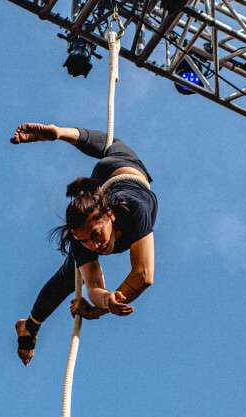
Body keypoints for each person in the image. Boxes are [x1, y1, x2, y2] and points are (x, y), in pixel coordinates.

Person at [10, 122, 158, 365]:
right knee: (73, 273)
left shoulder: (134, 210)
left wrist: (102, 307)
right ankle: (29, 326)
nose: (94, 245)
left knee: (110, 146)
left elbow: (144, 275)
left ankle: (57, 130)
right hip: (101, 191)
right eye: (85, 240)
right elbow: (94, 288)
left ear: (110, 216)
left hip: (122, 165)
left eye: (96, 235)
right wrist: (105, 300)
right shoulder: (83, 240)